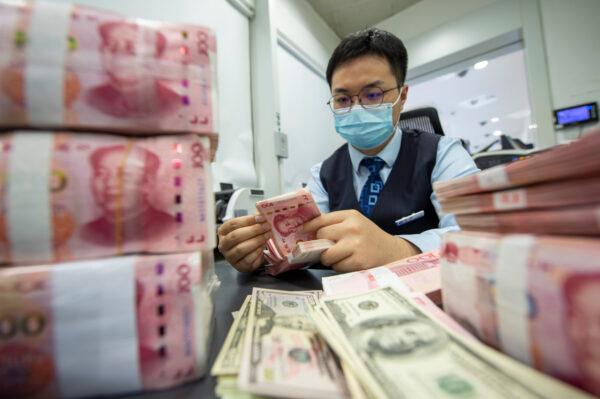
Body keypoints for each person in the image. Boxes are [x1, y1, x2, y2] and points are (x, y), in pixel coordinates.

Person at [218, 28, 478, 273]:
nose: (355, 108)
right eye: (342, 99)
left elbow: (480, 236)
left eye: (373, 94)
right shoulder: (324, 174)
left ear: (403, 95)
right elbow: (301, 242)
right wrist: (259, 254)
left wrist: (399, 249)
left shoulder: (443, 154)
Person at [80, 145, 177, 246]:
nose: (110, 183)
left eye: (123, 175)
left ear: (147, 184)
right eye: (101, 174)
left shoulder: (170, 227)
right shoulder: (85, 232)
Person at [86, 21, 181, 119]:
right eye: (111, 44)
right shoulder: (92, 97)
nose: (119, 52)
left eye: (131, 47)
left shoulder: (174, 103)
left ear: (155, 58)